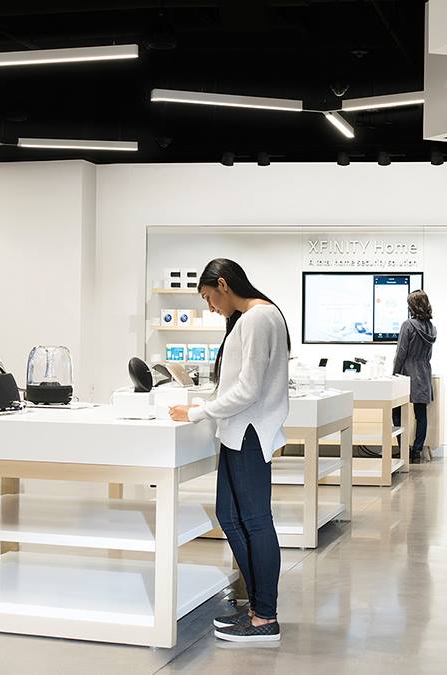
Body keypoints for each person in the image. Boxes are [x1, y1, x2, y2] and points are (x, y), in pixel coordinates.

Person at [168, 258, 289, 643]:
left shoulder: (257, 318)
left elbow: (249, 390)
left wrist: (198, 412)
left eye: (209, 297)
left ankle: (264, 618)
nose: (210, 307)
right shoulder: (254, 317)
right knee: (231, 516)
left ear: (223, 284)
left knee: (255, 521)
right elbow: (239, 385)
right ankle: (257, 609)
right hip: (239, 432)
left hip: (249, 431)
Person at [393, 290, 436, 463]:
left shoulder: (408, 325)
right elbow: (428, 355)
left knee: (396, 411)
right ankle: (417, 451)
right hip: (424, 371)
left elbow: (401, 352)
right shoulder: (431, 328)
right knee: (421, 414)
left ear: (412, 306)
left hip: (407, 373)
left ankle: (404, 448)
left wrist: (394, 374)